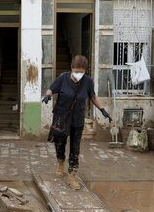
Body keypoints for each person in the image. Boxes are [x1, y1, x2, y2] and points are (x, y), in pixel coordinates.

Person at [42, 55, 112, 190]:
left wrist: (102, 109)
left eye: (81, 71)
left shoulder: (88, 82)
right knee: (59, 142)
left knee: (75, 148)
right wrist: (48, 95)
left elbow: (93, 96)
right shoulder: (63, 78)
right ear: (71, 68)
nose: (78, 74)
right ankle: (60, 161)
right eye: (76, 70)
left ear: (85, 71)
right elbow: (52, 88)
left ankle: (72, 175)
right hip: (61, 117)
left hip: (77, 119)